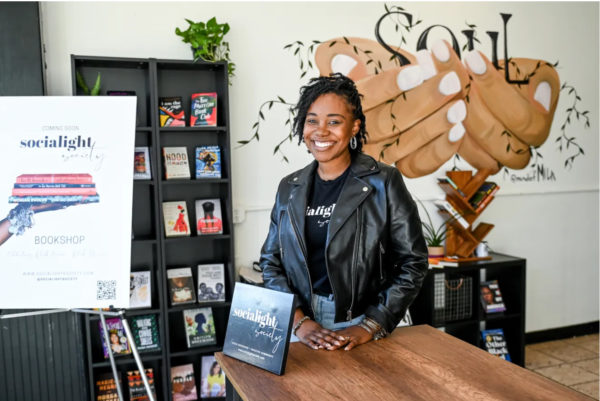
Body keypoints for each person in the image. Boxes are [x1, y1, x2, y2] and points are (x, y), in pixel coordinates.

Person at [260, 73, 428, 351]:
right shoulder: (289, 187)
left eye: (334, 122)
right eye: (312, 120)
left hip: (361, 324)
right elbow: (270, 261)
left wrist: (371, 324)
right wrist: (299, 321)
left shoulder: (383, 182)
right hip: (299, 325)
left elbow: (413, 262)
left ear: (354, 127)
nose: (321, 131)